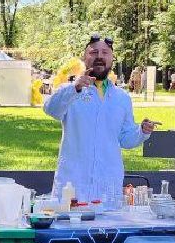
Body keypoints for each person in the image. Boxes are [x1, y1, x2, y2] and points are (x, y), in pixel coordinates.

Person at [43, 36, 158, 202]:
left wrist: (141, 131)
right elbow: (51, 109)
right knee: (71, 216)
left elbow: (125, 139)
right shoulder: (70, 90)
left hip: (107, 184)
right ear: (84, 58)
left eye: (105, 52)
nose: (99, 56)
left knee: (108, 216)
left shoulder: (121, 97)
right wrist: (75, 88)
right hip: (73, 183)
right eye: (94, 52)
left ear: (112, 59)